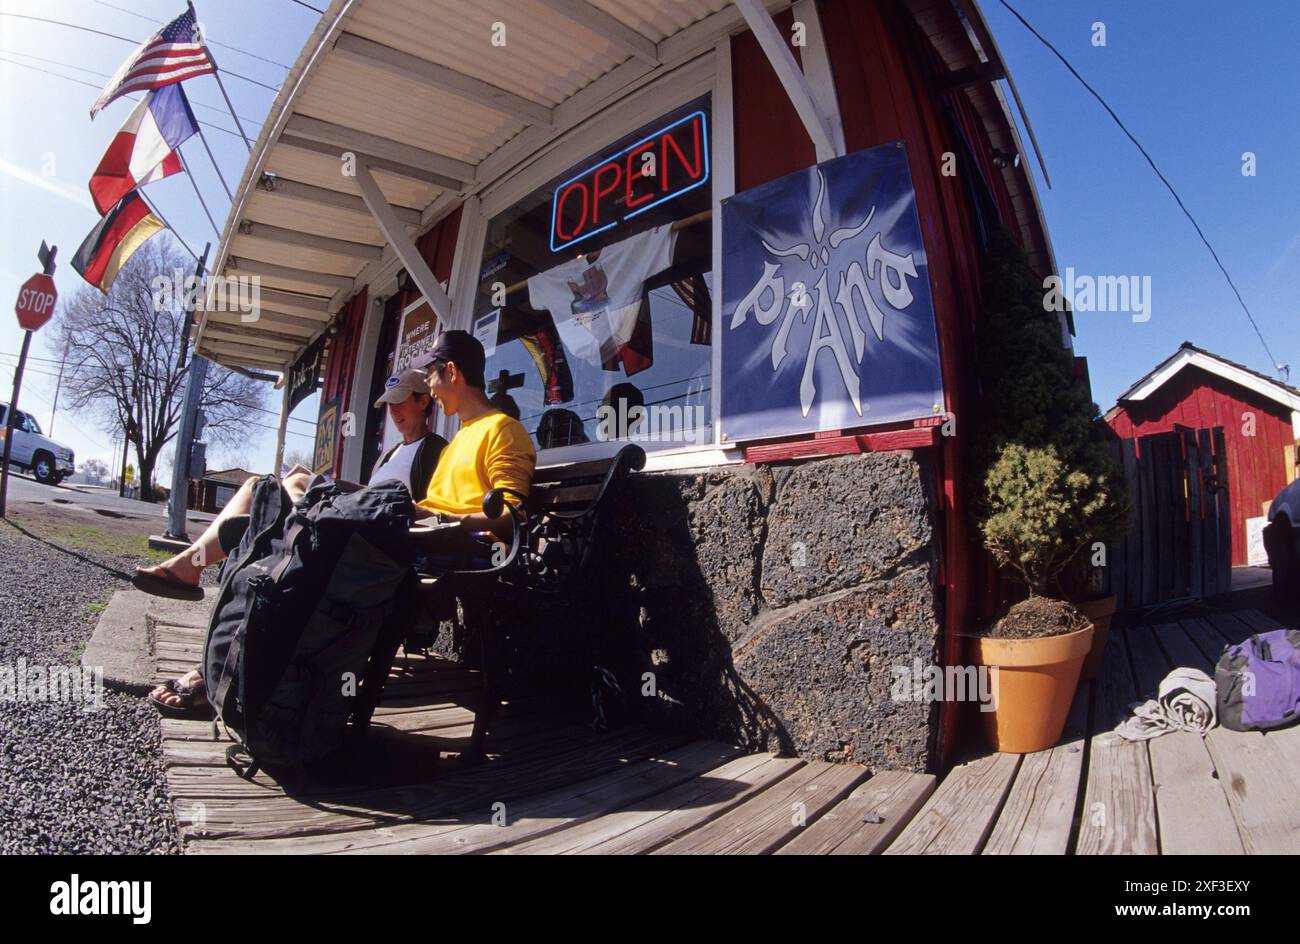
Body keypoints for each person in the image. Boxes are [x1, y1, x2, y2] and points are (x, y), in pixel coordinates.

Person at [141, 330, 535, 716]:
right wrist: (413, 511)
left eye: (430, 376)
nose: (429, 388)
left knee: (300, 553)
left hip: (432, 546)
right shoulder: (463, 436)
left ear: (451, 372)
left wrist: (436, 518)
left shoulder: (503, 430)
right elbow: (429, 503)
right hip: (411, 532)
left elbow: (510, 517)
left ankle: (229, 672)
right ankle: (229, 664)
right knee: (278, 521)